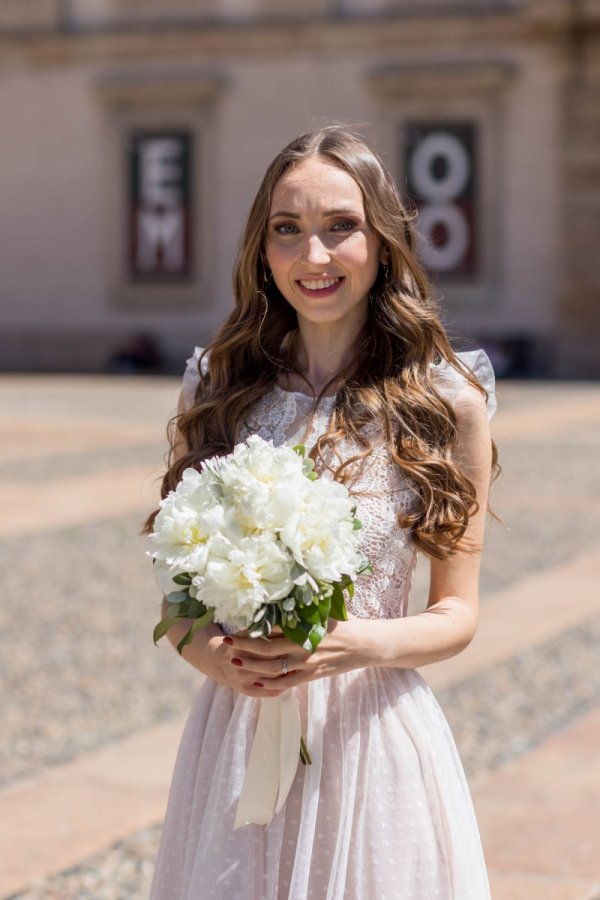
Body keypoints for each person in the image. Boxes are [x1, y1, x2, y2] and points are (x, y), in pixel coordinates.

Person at [147, 126, 498, 899]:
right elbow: (178, 606)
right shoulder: (216, 387)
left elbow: (457, 613)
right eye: (288, 230)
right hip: (235, 736)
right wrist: (215, 657)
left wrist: (354, 643)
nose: (314, 257)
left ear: (383, 240)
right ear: (262, 251)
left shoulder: (446, 403)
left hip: (372, 737)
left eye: (341, 226)